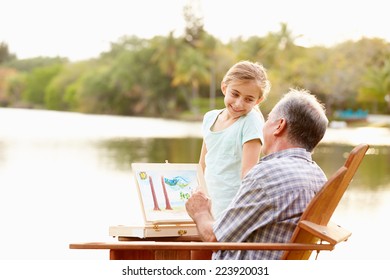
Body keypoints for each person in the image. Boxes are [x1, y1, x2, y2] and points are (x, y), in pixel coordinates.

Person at [186, 88, 329, 260]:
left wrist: (200, 212)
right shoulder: (319, 177)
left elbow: (213, 237)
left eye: (268, 120)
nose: (263, 127)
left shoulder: (266, 174)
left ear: (279, 125)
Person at [199, 60, 271, 219]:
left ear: (258, 100)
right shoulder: (210, 117)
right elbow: (202, 164)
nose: (239, 103)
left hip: (232, 210)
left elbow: (249, 175)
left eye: (248, 99)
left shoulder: (251, 122)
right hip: (208, 205)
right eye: (235, 94)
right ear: (224, 88)